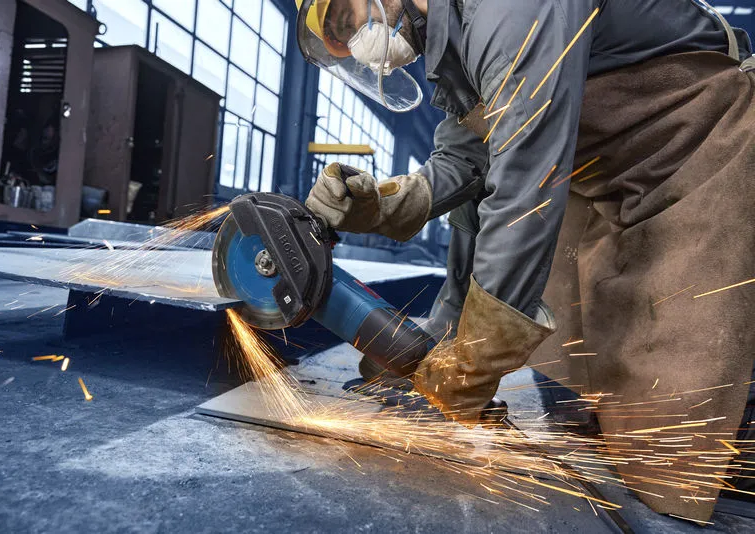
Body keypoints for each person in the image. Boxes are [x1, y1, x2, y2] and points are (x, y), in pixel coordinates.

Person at [297, 0, 755, 521]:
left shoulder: (508, 8)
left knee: (676, 414)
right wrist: (388, 203)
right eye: (340, 35)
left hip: (700, 143)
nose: (358, 38)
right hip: (605, 173)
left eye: (348, 16)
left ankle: (738, 442)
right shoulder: (453, 39)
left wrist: (473, 362)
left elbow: (523, 187)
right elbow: (467, 160)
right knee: (578, 365)